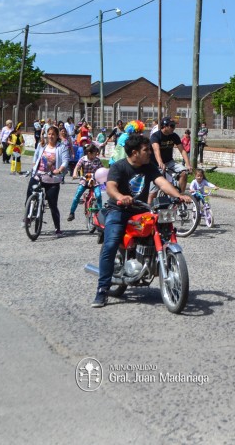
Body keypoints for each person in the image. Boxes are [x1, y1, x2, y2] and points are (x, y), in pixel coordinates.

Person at [92, 133, 192, 308]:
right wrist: (121, 197)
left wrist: (178, 195)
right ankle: (102, 290)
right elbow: (110, 187)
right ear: (134, 152)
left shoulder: (149, 166)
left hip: (140, 209)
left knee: (161, 232)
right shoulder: (119, 167)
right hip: (119, 210)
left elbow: (162, 182)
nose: (150, 153)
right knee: (111, 244)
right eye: (146, 150)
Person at [26, 126, 69, 236]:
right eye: (49, 134)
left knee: (53, 204)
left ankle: (57, 228)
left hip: (52, 179)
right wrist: (34, 165)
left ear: (57, 135)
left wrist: (59, 170)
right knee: (29, 196)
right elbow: (35, 157)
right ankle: (29, 215)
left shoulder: (61, 147)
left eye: (53, 134)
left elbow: (65, 161)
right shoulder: (42, 145)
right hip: (38, 176)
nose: (50, 136)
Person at [149, 116, 191, 197]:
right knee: (153, 191)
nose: (174, 128)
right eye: (172, 126)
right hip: (155, 164)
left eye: (174, 126)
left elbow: (182, 150)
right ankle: (149, 208)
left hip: (169, 162)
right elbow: (156, 150)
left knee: (184, 173)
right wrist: (160, 163)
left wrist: (188, 164)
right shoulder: (156, 136)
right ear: (164, 126)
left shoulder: (174, 136)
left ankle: (180, 197)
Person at [68, 143, 103, 222]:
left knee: (98, 195)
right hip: (85, 179)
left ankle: (101, 213)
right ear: (89, 153)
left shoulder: (97, 160)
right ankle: (72, 213)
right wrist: (74, 173)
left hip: (95, 180)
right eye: (94, 153)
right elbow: (77, 167)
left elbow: (102, 169)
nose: (96, 155)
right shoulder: (83, 159)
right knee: (77, 195)